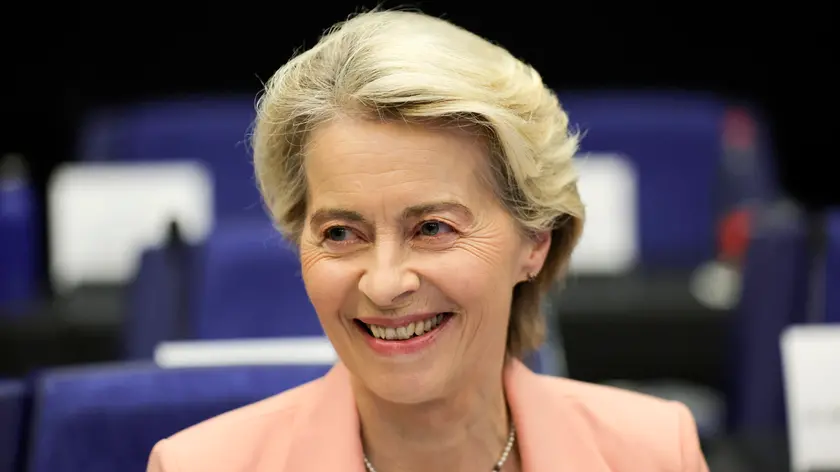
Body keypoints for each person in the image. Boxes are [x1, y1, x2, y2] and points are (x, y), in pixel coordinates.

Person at [147, 9, 709, 472]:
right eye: (341, 233)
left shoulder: (655, 452)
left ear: (535, 238)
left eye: (433, 229)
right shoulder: (198, 466)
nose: (386, 283)